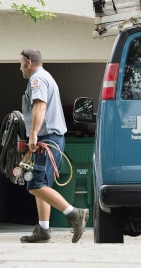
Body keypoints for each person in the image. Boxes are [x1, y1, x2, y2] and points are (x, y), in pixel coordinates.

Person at [19, 49, 89, 243]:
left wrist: (32, 134)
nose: (20, 68)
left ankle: (74, 213)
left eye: (21, 63)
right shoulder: (46, 77)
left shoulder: (37, 79)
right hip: (52, 139)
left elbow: (39, 106)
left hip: (46, 139)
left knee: (35, 184)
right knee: (41, 185)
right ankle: (43, 229)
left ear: (29, 62)